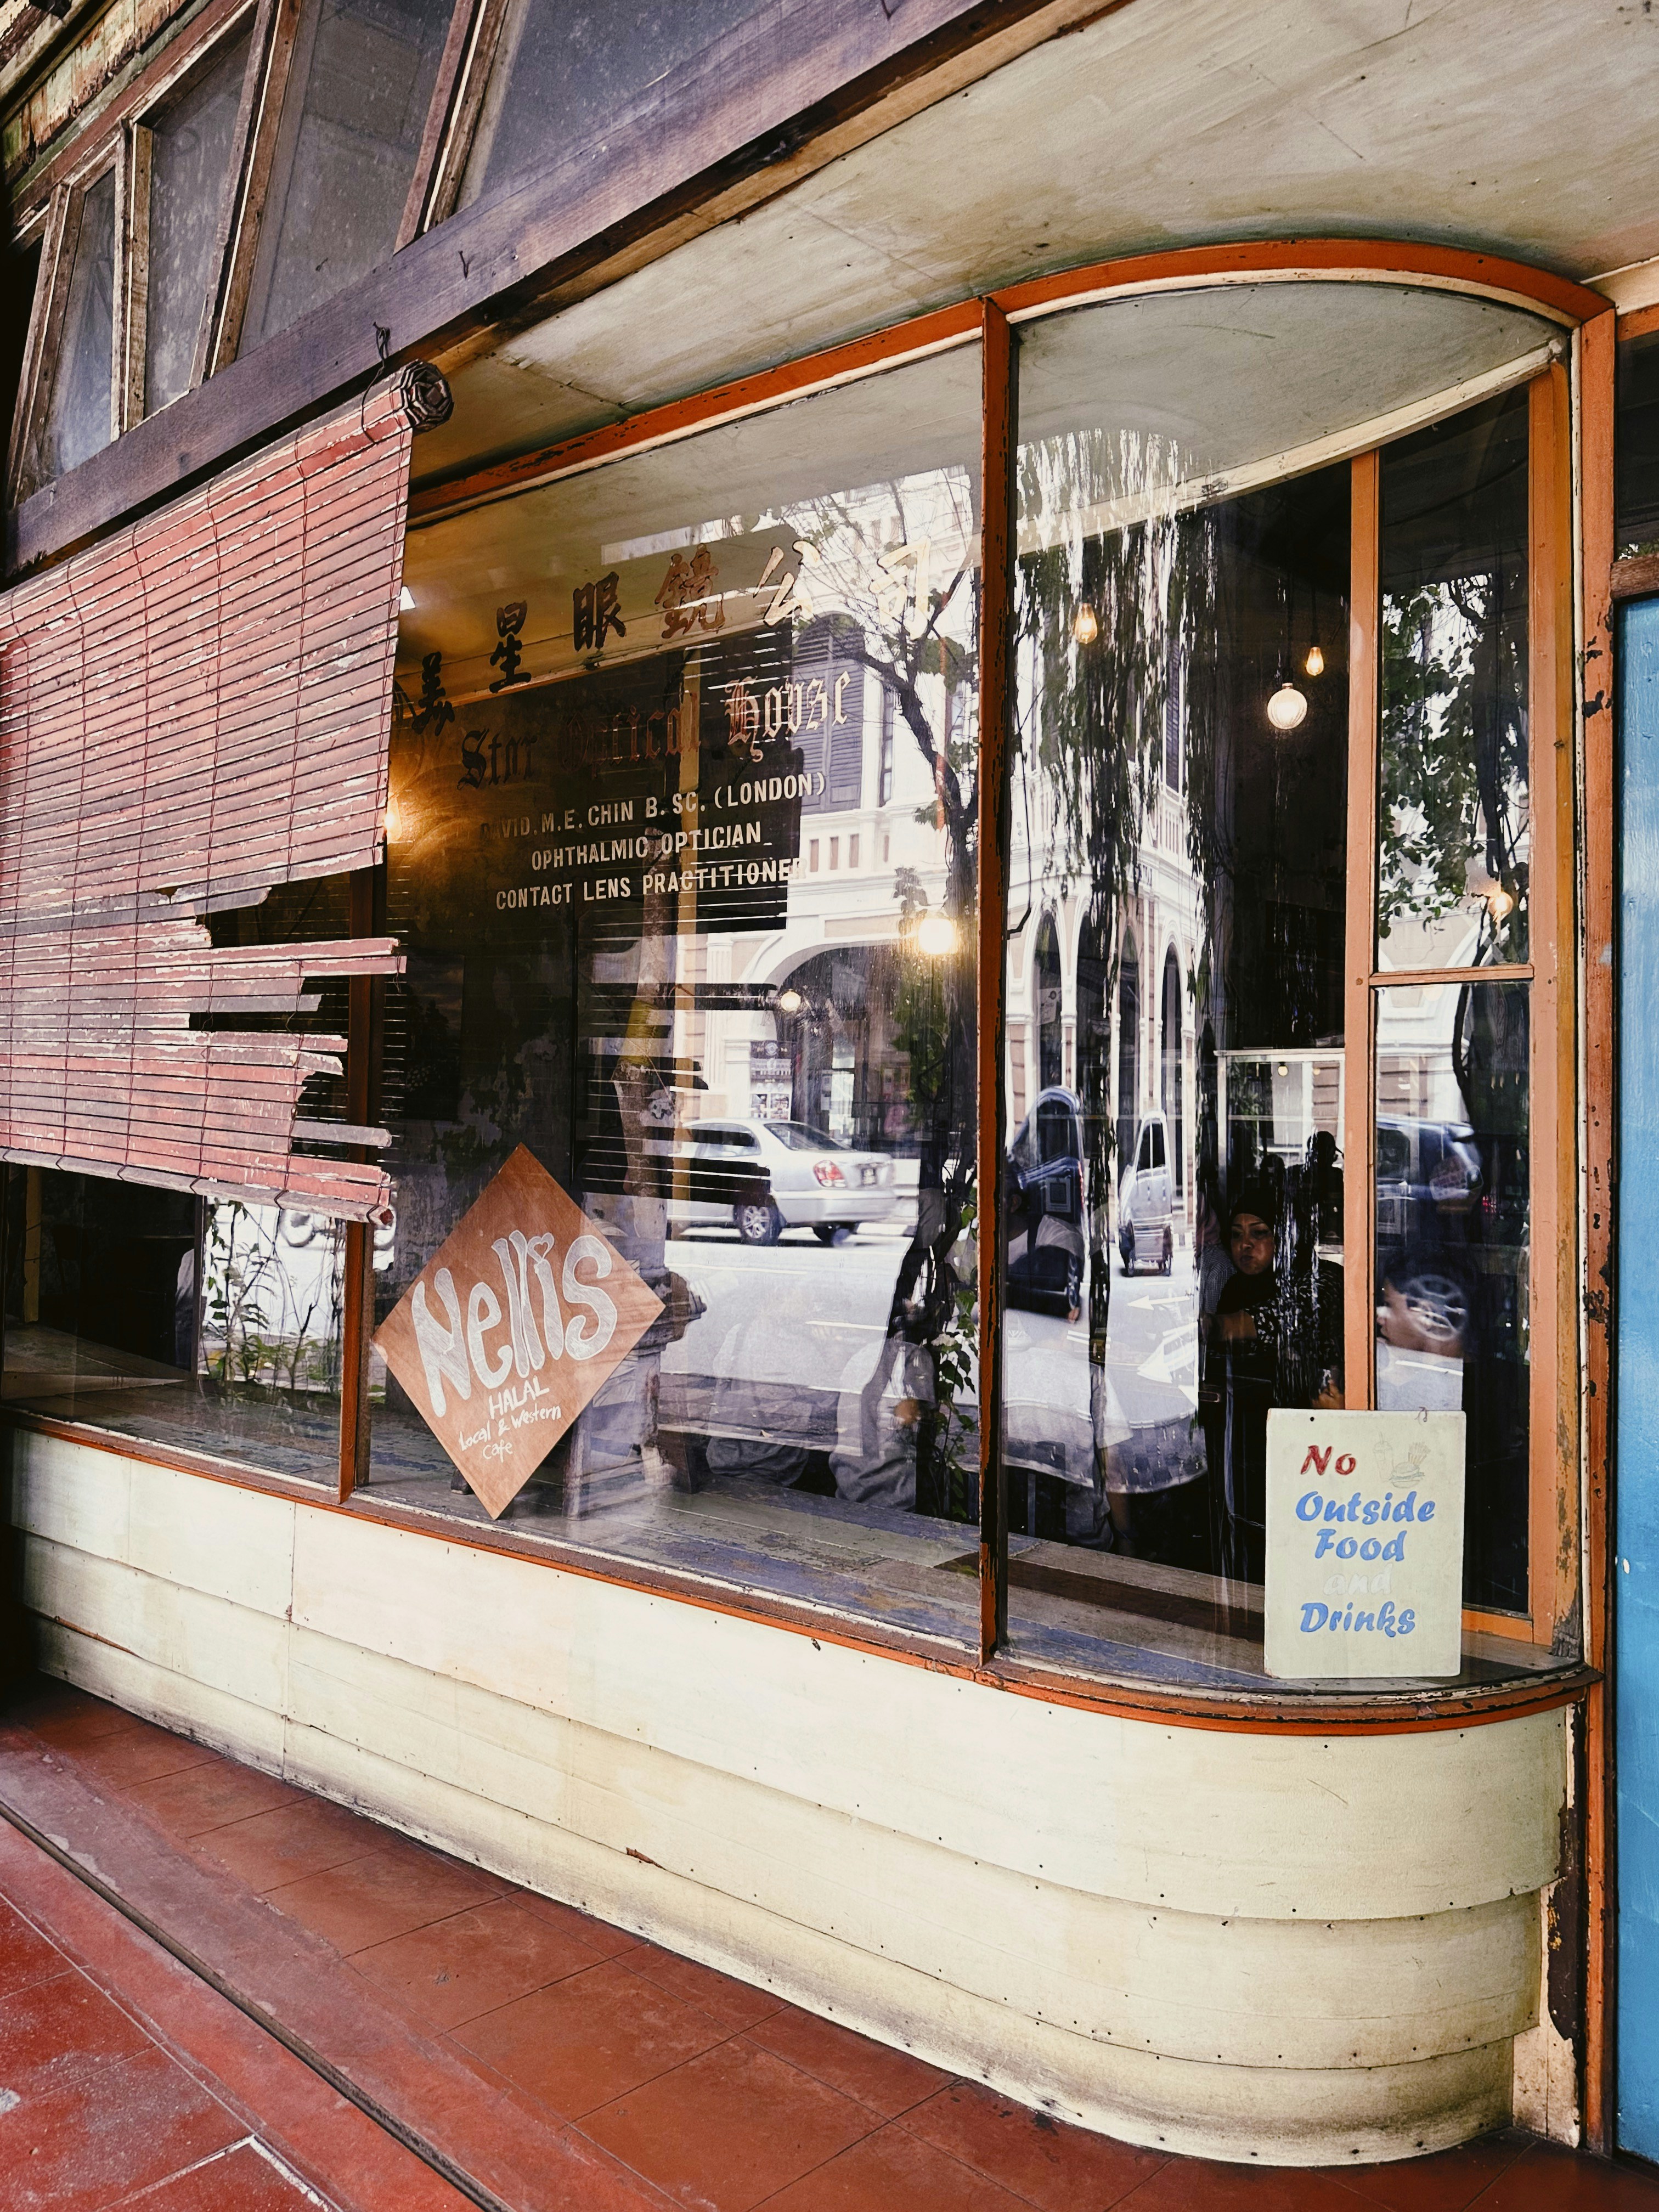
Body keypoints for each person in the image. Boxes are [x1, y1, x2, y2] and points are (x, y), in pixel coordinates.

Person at [1204, 1181, 1342, 1581]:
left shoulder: (1323, 1279)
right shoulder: (1234, 1286)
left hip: (1309, 1440)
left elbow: (1279, 1317)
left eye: (1259, 1234)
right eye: (1236, 1235)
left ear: (1287, 1237)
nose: (1245, 1246)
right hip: (1247, 1438)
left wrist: (1212, 1327)